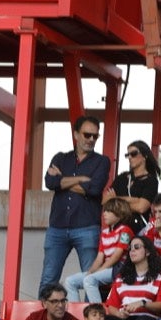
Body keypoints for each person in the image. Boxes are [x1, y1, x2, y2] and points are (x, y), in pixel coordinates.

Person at [42, 115, 110, 289]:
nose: (91, 139)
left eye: (95, 136)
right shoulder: (60, 158)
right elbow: (50, 183)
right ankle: (42, 315)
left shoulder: (102, 161)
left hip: (87, 227)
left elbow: (95, 189)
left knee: (91, 279)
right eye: (87, 135)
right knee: (49, 278)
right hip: (57, 227)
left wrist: (62, 181)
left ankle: (91, 316)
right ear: (76, 134)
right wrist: (81, 179)